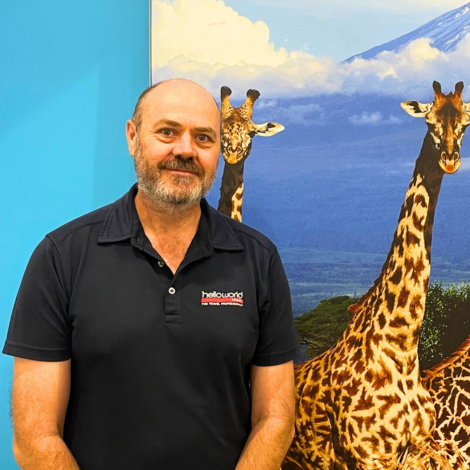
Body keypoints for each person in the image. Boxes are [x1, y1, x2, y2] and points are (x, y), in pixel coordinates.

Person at [3, 79, 300, 470]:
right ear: (132, 137)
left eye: (204, 138)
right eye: (167, 132)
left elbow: (276, 419)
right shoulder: (61, 257)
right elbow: (34, 437)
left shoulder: (259, 259)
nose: (185, 150)